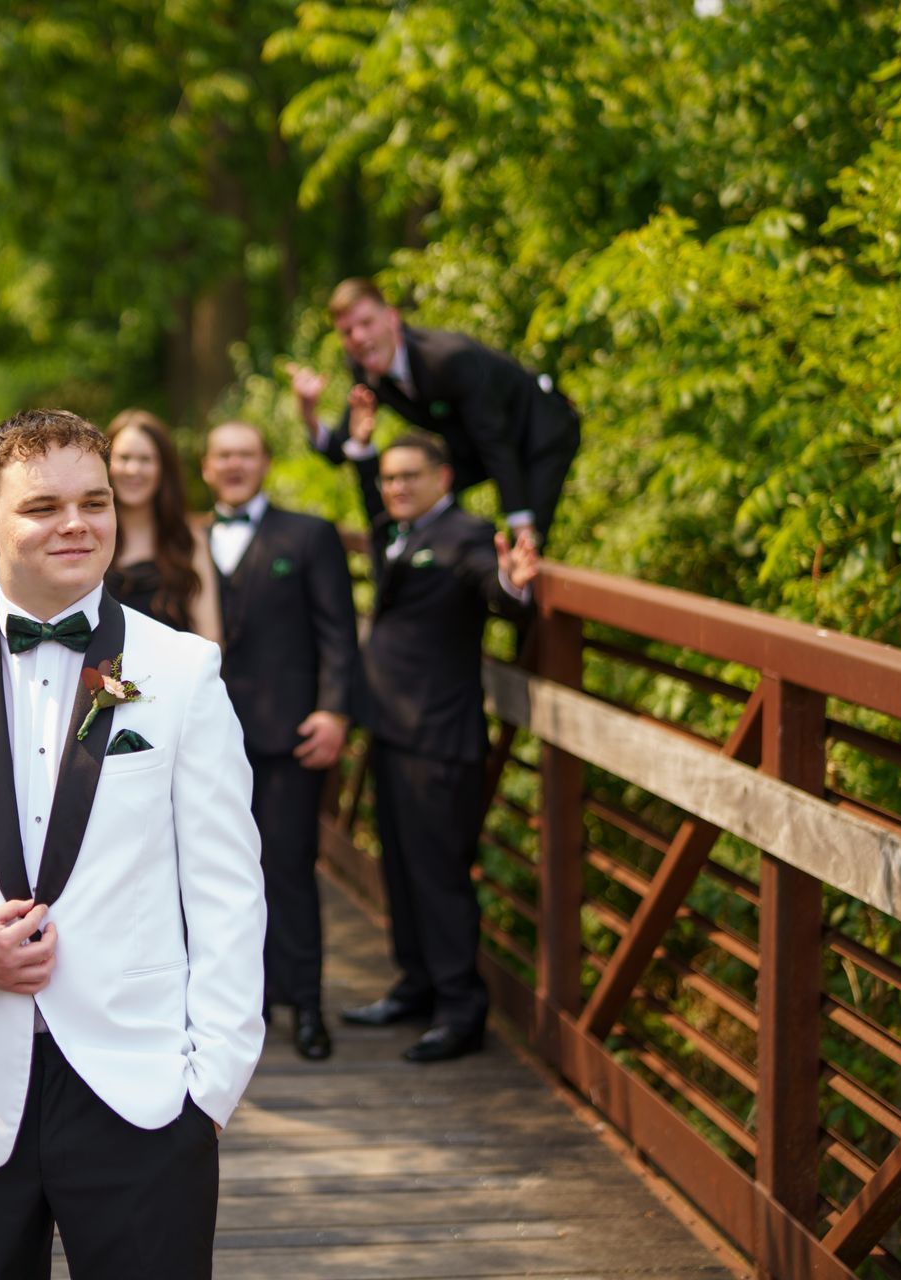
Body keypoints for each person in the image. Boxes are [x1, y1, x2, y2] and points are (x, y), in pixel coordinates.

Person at [0, 408, 266, 1279]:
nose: (77, 523)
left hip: (145, 1091)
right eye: (43, 507)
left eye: (95, 501)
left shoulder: (182, 671)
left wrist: (211, 1085)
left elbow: (229, 888)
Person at [333, 424, 540, 1064]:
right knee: (399, 865)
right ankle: (416, 984)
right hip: (393, 729)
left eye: (408, 477)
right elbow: (374, 498)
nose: (394, 487)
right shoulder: (399, 528)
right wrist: (360, 452)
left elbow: (496, 589)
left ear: (443, 479)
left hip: (440, 735)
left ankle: (459, 1009)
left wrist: (513, 587)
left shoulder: (467, 536)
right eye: (388, 478)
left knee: (440, 875)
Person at [199, 421, 357, 1062]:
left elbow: (338, 633)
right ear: (206, 467)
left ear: (264, 461)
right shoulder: (188, 538)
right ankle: (241, 1005)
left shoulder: (308, 535)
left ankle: (308, 1006)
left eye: (246, 453)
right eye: (222, 455)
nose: (234, 465)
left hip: (290, 734)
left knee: (287, 868)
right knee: (209, 874)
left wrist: (335, 711)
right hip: (205, 740)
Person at [290, 276, 580, 544]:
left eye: (367, 323)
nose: (359, 337)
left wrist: (521, 526)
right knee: (420, 499)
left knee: (527, 542)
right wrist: (308, 413)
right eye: (347, 331)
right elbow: (342, 449)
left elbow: (494, 441)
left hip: (541, 430)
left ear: (392, 317)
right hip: (472, 442)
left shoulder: (447, 358)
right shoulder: (364, 368)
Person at [102, 410, 221, 642]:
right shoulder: (88, 535)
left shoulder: (188, 539)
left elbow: (210, 637)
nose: (133, 469)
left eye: (146, 459)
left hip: (173, 676)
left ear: (163, 468)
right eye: (124, 458)